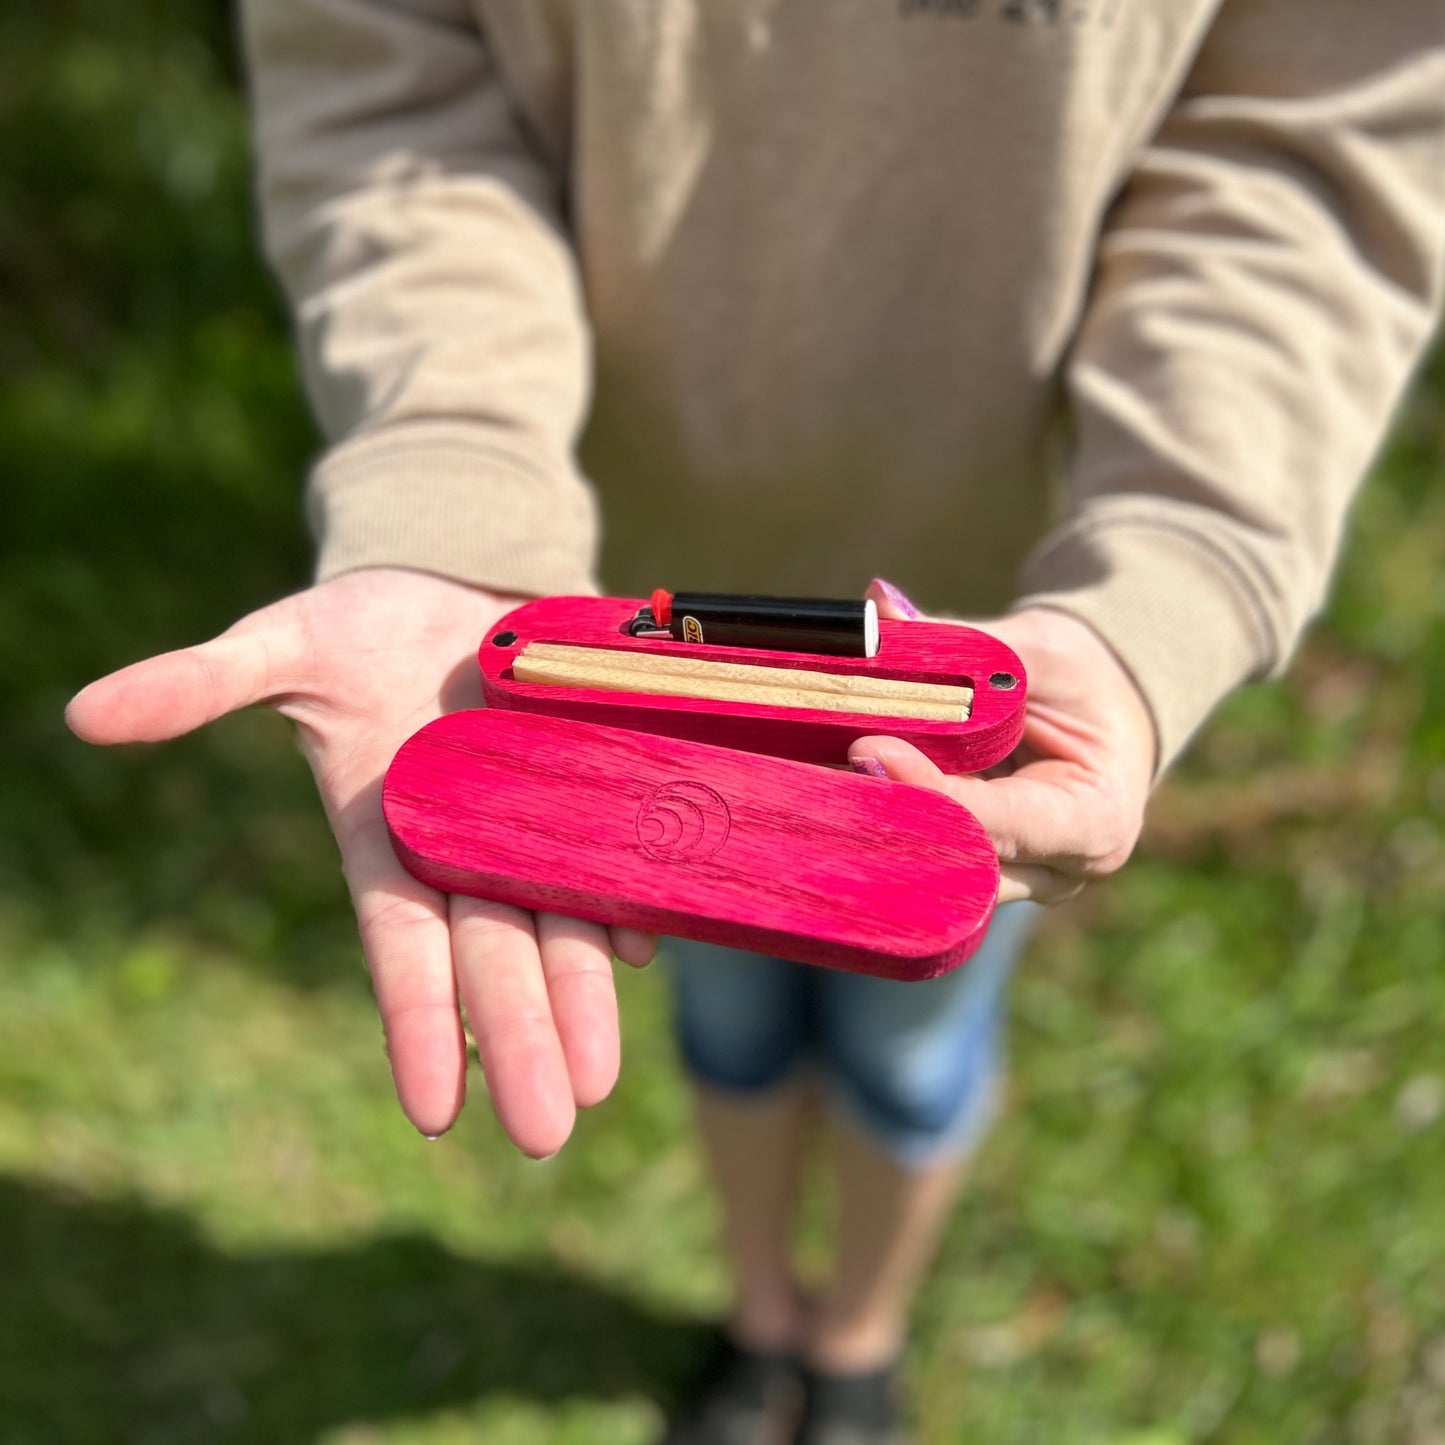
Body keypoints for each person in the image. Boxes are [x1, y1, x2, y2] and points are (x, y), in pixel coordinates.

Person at [67, 3, 1445, 1441]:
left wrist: (1164, 583)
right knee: (726, 1021)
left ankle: (856, 1339)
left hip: (989, 646)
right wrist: (453, 498)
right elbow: (396, 101)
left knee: (910, 1053)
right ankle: (761, 1315)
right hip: (614, 615)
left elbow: (1306, 159)